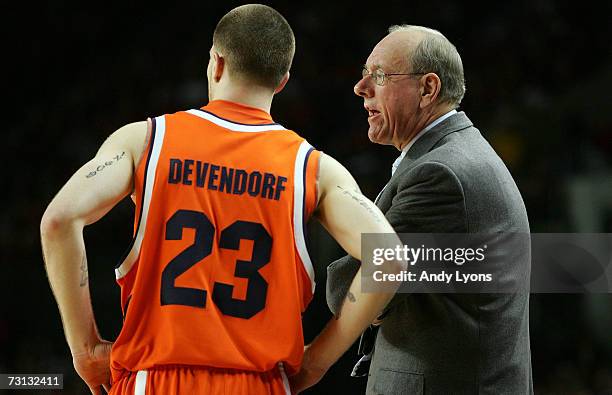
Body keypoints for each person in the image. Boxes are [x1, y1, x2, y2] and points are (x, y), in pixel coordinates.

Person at [40, 5, 405, 395]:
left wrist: (86, 348)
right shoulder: (314, 169)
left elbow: (59, 220)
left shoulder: (145, 140)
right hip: (260, 384)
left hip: (155, 379)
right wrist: (316, 362)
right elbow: (389, 256)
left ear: (216, 62)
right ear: (282, 81)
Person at [298, 25, 533, 394]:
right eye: (363, 75)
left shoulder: (441, 175)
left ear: (427, 89)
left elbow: (345, 288)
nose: (361, 88)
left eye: (379, 75)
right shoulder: (456, 156)